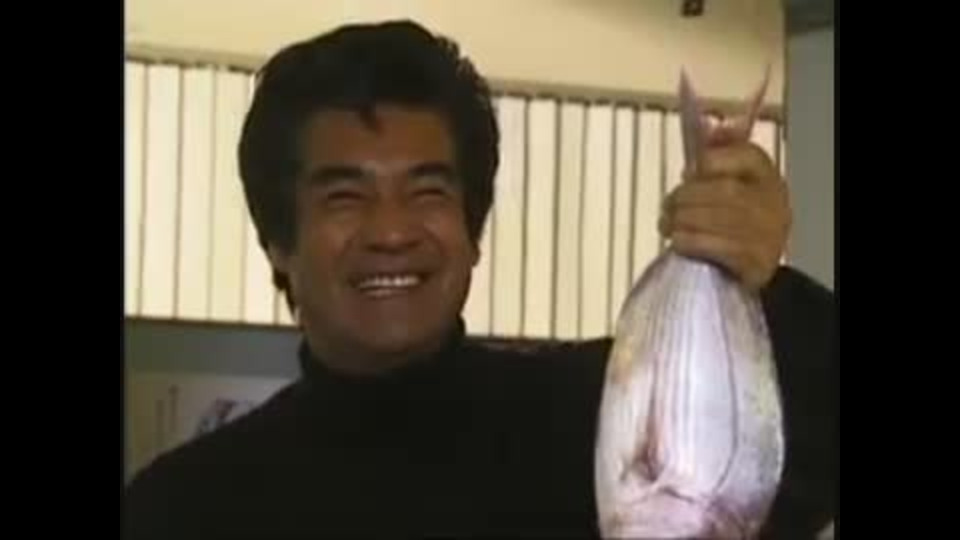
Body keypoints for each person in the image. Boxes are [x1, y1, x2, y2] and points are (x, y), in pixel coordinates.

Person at [124, 20, 834, 539]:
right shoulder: (180, 508)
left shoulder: (592, 418)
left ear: (473, 235)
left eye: (428, 191)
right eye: (344, 197)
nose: (392, 230)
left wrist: (758, 275)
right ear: (278, 242)